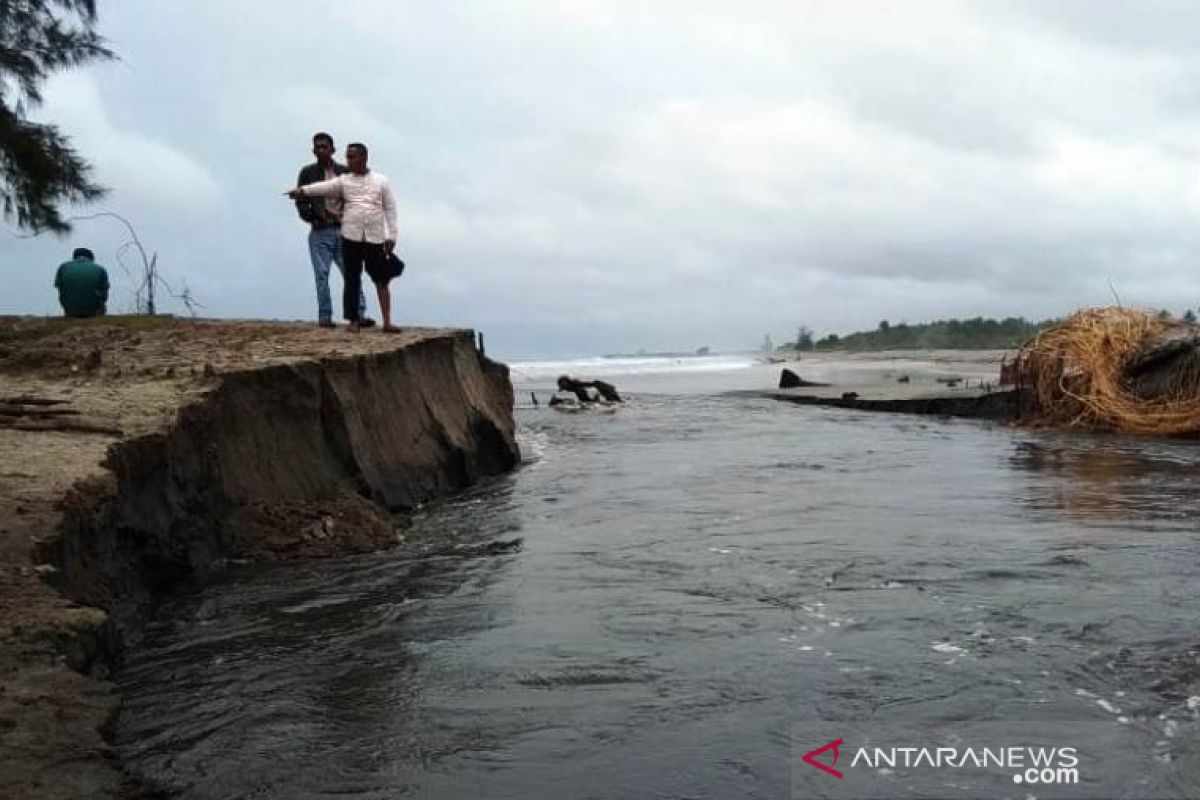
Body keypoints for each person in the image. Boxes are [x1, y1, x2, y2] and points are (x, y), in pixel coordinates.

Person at [288, 142, 400, 332]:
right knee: (352, 278)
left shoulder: (381, 180)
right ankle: (354, 320)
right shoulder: (344, 181)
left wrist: (392, 235)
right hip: (351, 236)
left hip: (375, 237)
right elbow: (323, 187)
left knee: (381, 279)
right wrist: (302, 191)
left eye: (352, 157)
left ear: (363, 158)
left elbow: (390, 208)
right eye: (347, 157)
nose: (348, 161)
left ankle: (387, 322)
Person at [295, 132, 370, 328]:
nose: (321, 150)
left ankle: (359, 314)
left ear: (332, 149)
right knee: (322, 274)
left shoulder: (345, 172)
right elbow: (301, 201)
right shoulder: (307, 173)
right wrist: (313, 218)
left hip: (344, 230)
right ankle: (325, 316)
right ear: (313, 150)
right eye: (318, 147)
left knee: (351, 273)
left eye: (324, 147)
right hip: (320, 231)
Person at [54, 247, 109, 318]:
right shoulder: (100, 269)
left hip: (70, 309)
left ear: (74, 257)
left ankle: (71, 313)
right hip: (93, 310)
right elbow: (105, 294)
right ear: (91, 258)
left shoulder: (63, 267)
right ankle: (95, 314)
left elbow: (60, 288)